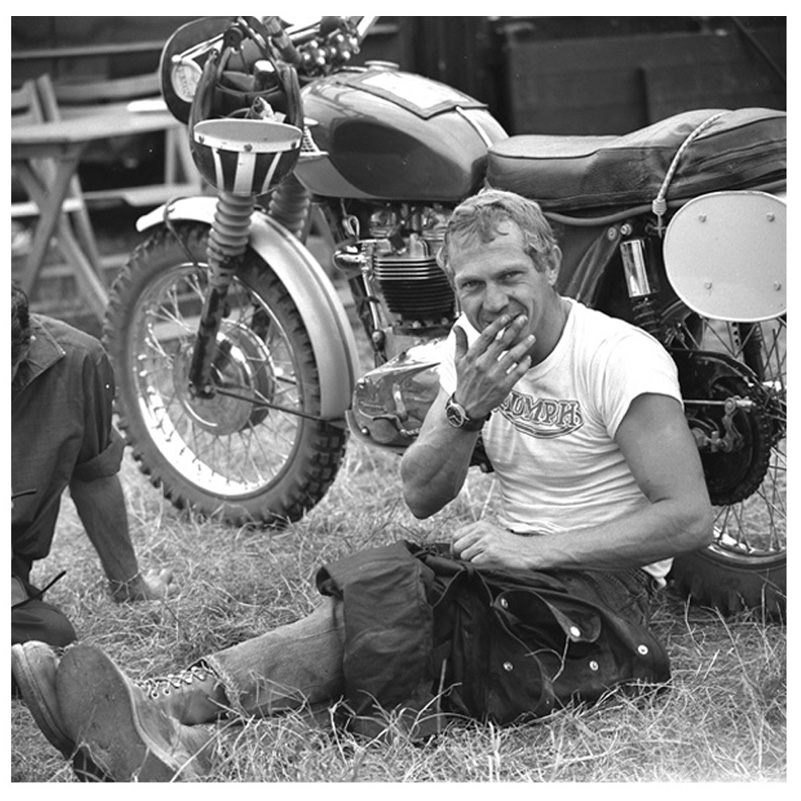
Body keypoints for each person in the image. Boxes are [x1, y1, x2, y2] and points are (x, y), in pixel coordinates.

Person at [12, 190, 713, 782]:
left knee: (409, 612)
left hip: (604, 591)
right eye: (471, 286)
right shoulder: (470, 351)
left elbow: (687, 518)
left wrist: (538, 550)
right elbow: (421, 494)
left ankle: (172, 709)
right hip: (505, 565)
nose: (492, 302)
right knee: (389, 593)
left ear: (549, 264)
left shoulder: (617, 358)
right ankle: (176, 723)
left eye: (509, 277)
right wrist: (466, 410)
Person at [11, 281, 173, 650]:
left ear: (23, 348)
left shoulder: (78, 361)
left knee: (51, 636)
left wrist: (129, 586)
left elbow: (93, 478)